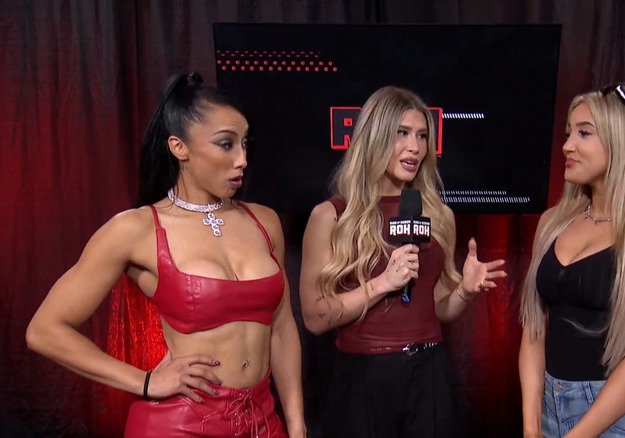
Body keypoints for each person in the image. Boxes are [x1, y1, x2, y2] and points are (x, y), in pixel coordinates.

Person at [26, 73, 305, 438]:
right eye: (226, 145)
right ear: (179, 148)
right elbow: (44, 330)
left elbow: (282, 330)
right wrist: (145, 382)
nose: (242, 160)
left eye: (245, 144)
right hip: (181, 425)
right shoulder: (136, 229)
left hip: (263, 424)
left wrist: (297, 423)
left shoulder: (264, 221)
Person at [299, 85, 507, 438]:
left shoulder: (439, 215)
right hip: (362, 378)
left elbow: (440, 308)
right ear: (375, 137)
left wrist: (465, 292)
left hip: (430, 375)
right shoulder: (332, 216)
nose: (415, 147)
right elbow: (315, 318)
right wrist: (383, 283)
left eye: (422, 136)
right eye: (402, 134)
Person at [517, 83, 625, 437]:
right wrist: (531, 426)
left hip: (622, 420)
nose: (567, 146)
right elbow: (534, 335)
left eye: (584, 133)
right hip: (549, 412)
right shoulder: (553, 222)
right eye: (569, 133)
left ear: (624, 141)